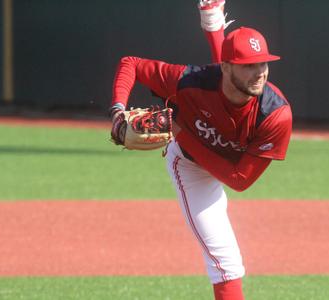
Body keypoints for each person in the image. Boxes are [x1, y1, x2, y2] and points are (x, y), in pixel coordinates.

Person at [109, 1, 292, 299]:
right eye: (250, 65)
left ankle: (213, 23)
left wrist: (180, 130)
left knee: (227, 88)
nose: (260, 72)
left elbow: (239, 179)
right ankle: (213, 24)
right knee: (226, 262)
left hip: (226, 158)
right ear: (230, 66)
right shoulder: (188, 81)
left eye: (264, 63)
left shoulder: (275, 113)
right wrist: (117, 110)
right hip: (191, 165)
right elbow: (130, 63)